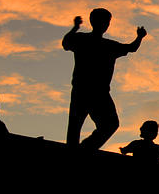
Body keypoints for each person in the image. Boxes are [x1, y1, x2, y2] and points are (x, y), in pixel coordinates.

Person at [62, 8, 146, 150]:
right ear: (97, 22)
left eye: (108, 22)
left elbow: (66, 42)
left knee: (101, 124)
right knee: (80, 126)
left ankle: (84, 148)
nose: (107, 25)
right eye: (106, 22)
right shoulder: (98, 43)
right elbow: (132, 48)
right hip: (90, 91)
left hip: (91, 91)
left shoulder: (94, 42)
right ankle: (81, 149)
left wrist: (75, 28)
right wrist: (140, 37)